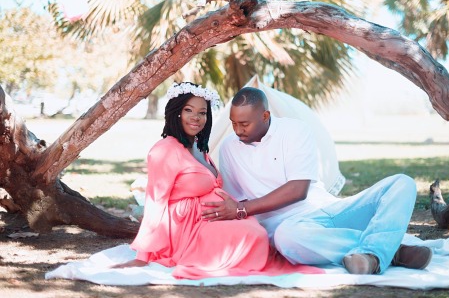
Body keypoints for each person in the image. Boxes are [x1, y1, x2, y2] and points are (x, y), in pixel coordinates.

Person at [202, 87, 432, 275]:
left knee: (402, 183)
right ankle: (385, 251)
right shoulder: (229, 148)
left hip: (330, 211)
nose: (238, 130)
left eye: (245, 124)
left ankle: (378, 249)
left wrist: (241, 209)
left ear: (265, 116)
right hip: (292, 230)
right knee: (288, 239)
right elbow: (234, 197)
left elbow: (298, 190)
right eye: (233, 123)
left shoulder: (295, 130)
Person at [113, 82, 323, 279]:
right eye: (188, 110)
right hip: (188, 227)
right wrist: (142, 257)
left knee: (257, 234)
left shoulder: (199, 148)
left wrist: (237, 211)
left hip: (213, 216)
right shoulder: (164, 150)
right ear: (176, 111)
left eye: (202, 112)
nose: (196, 117)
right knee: (254, 236)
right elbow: (155, 201)